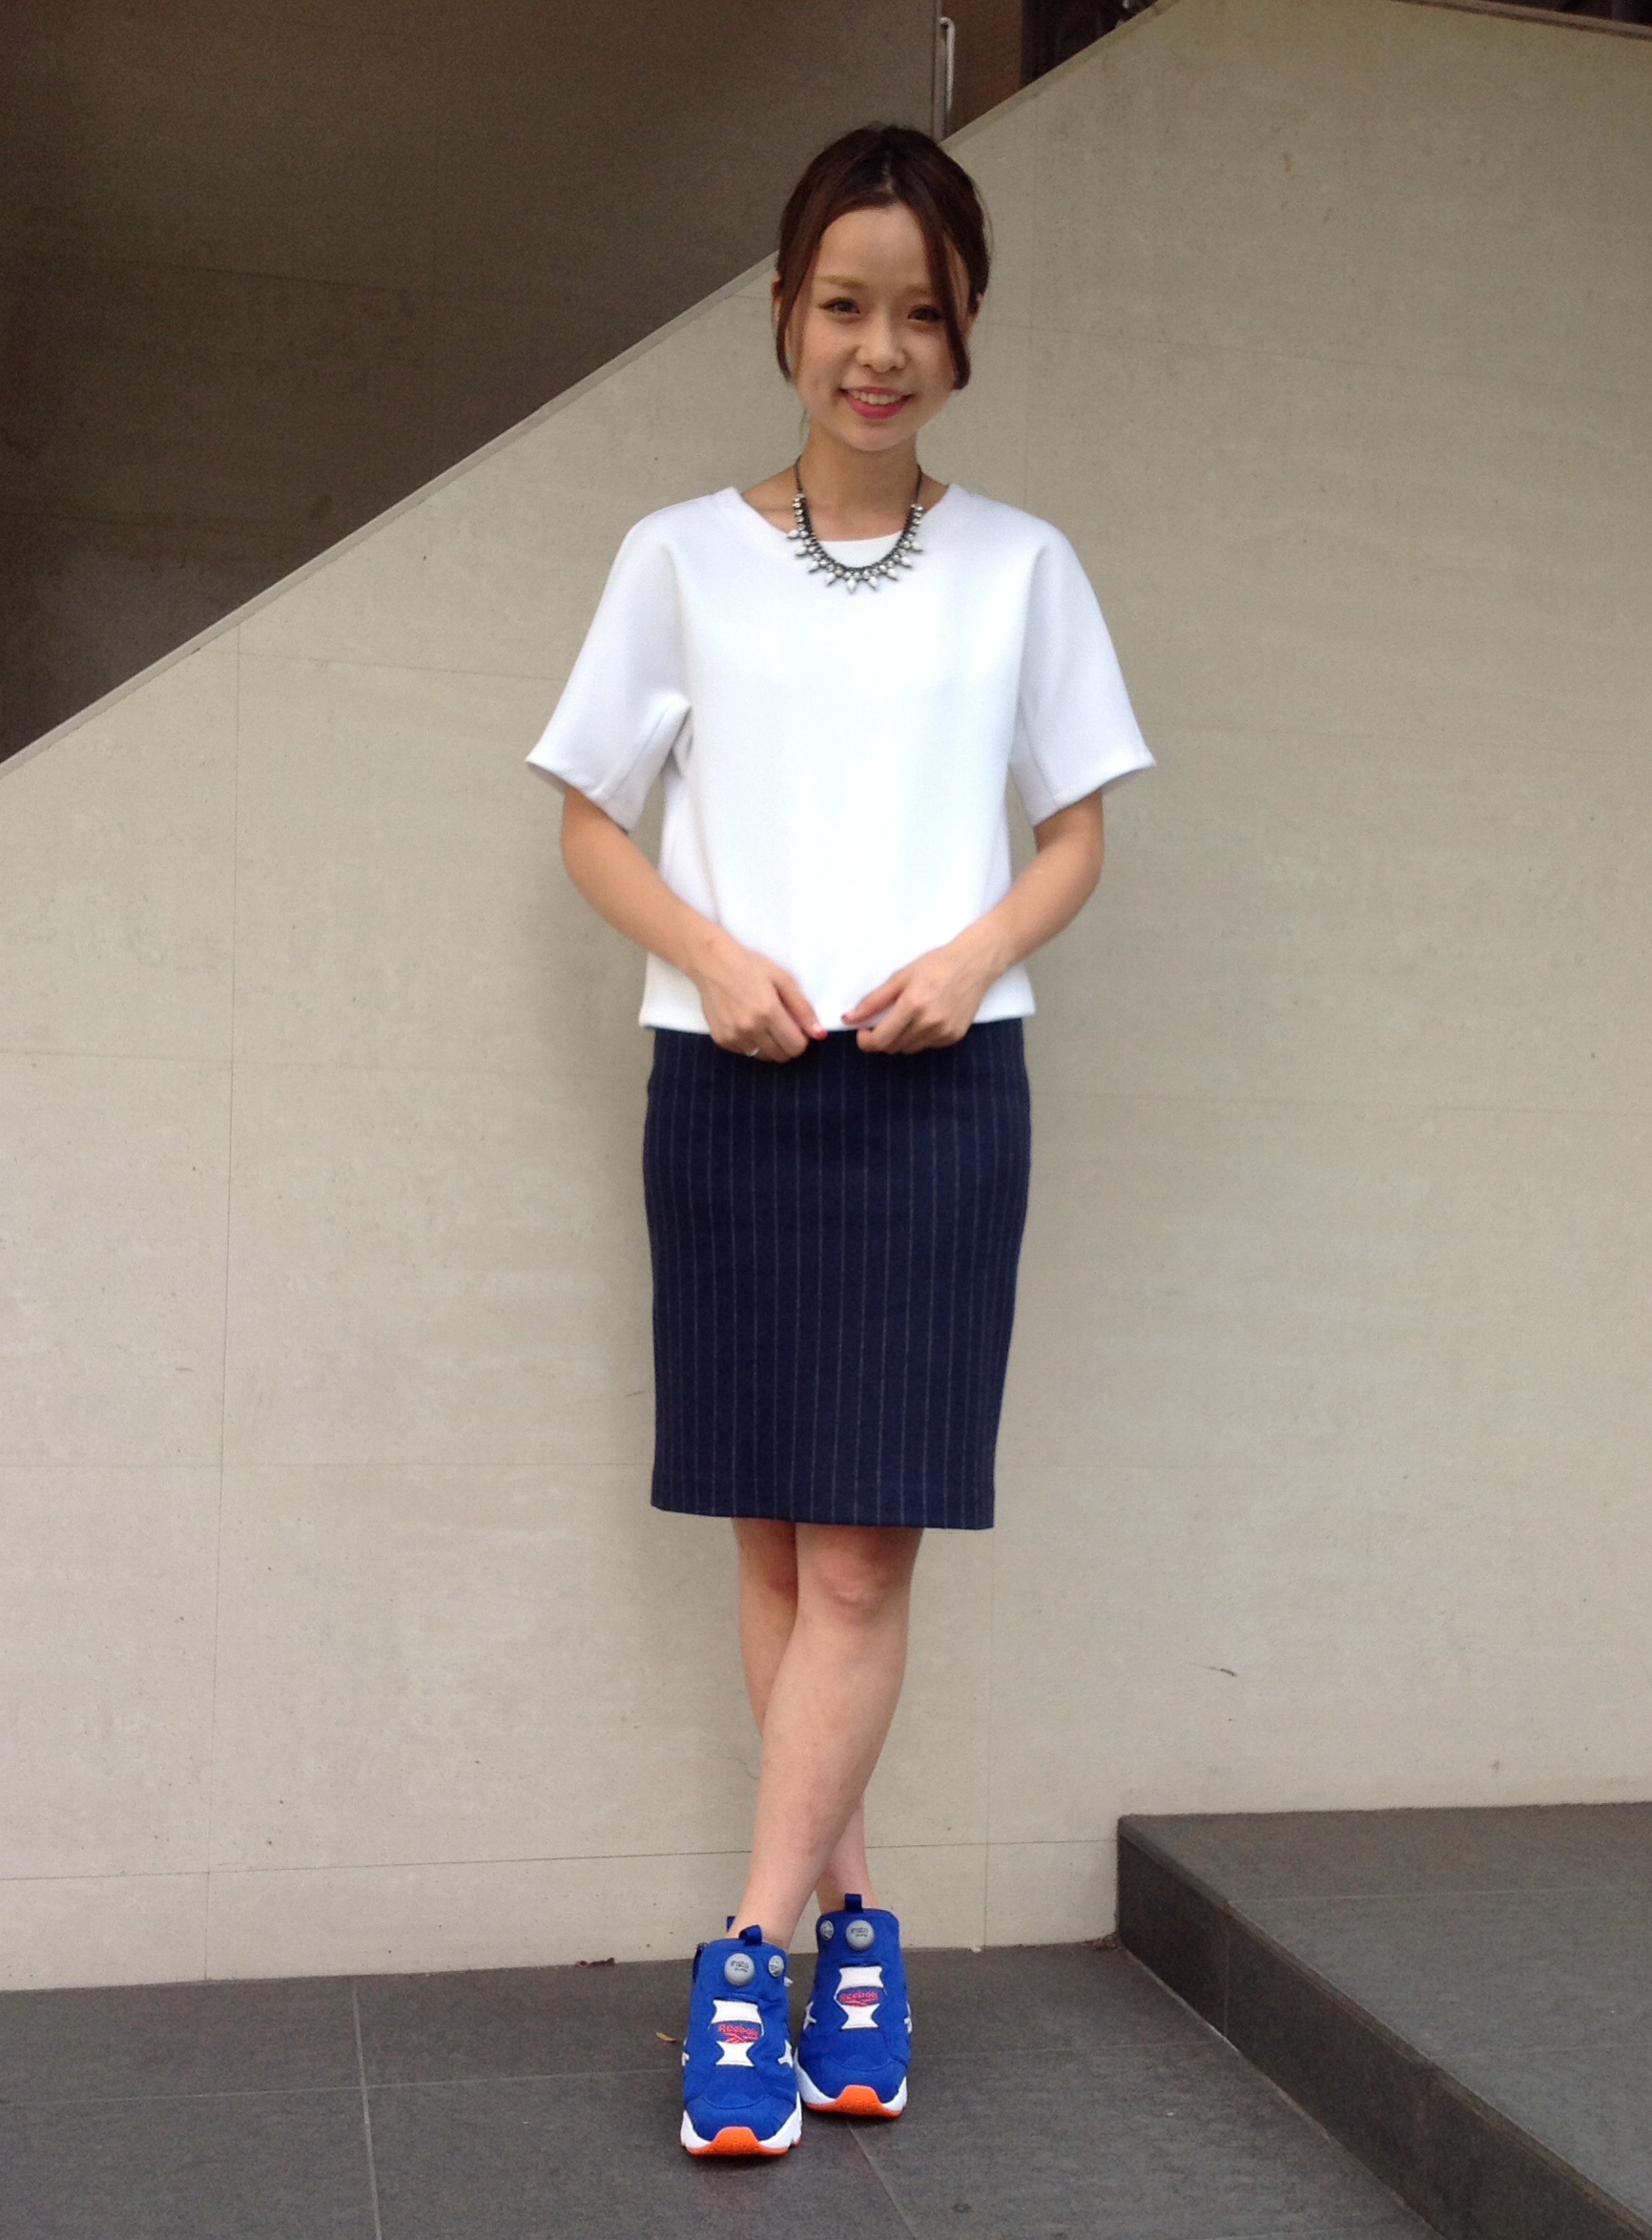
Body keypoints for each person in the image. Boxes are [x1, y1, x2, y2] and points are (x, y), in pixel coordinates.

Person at [527, 121, 1152, 2158]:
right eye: (843, 305)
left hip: (937, 1100)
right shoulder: (675, 558)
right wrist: (708, 955)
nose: (878, 349)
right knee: (783, 1539)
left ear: (964, 337)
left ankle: (749, 1954)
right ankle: (858, 1929)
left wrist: (969, 958)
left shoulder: (1024, 567)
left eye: (920, 314)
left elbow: (1072, 837)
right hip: (733, 1088)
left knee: (867, 1550)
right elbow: (590, 822)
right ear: (783, 314)